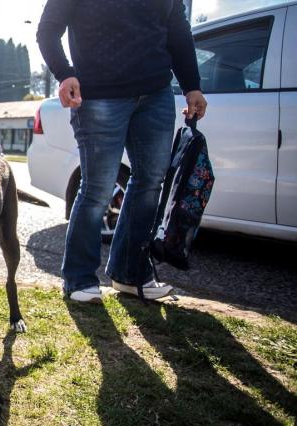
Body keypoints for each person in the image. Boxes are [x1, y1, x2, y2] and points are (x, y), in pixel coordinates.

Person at [37, 0, 207, 303]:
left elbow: (178, 31)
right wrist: (64, 73)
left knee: (150, 183)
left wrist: (192, 85)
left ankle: (131, 275)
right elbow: (48, 30)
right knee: (97, 188)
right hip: (99, 95)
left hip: (156, 94)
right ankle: (79, 279)